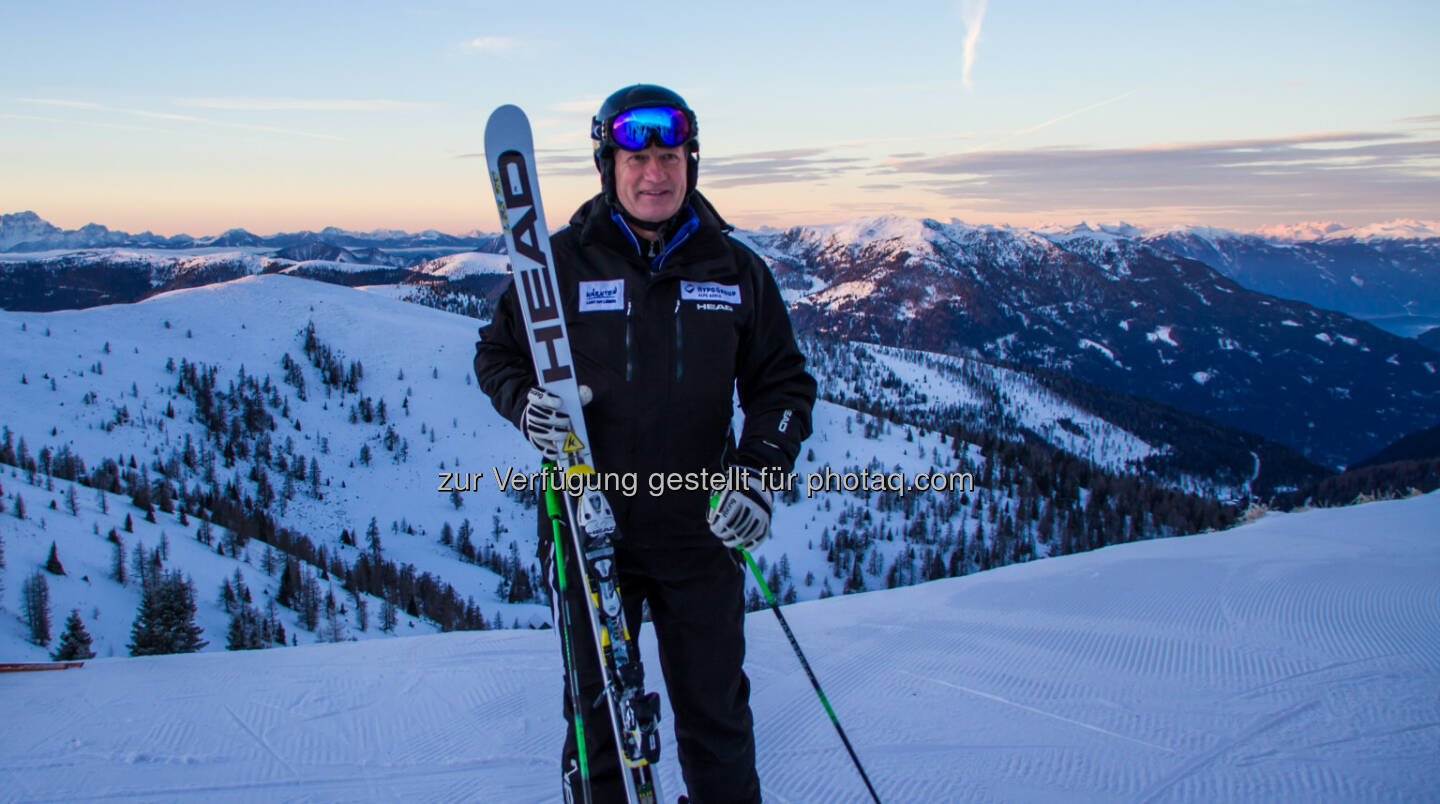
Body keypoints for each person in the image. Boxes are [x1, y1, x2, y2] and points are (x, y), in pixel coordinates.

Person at [474, 84, 816, 804]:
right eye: (637, 159)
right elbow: (497, 356)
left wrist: (756, 475)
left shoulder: (735, 270)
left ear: (691, 163)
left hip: (700, 531)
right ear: (608, 167)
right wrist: (522, 403)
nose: (655, 174)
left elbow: (782, 386)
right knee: (598, 726)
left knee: (715, 717)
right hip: (586, 526)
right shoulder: (559, 262)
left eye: (669, 156)